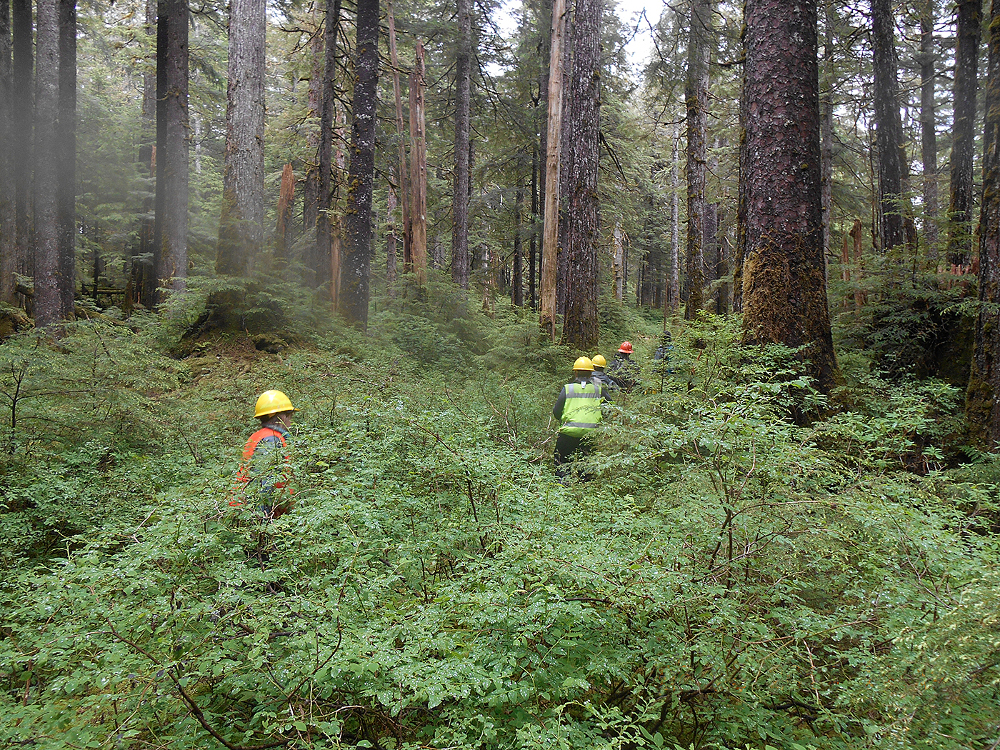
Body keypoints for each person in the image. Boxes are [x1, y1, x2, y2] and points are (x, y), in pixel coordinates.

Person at [232, 390, 297, 519]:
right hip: (257, 516)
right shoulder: (271, 440)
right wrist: (263, 521)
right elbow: (263, 485)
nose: (290, 420)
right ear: (280, 417)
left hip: (251, 511)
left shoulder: (262, 436)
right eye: (289, 415)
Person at [552, 357, 603, 481]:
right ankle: (585, 486)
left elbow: (556, 411)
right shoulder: (598, 390)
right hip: (589, 435)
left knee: (562, 462)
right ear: (591, 373)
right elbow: (611, 407)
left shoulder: (568, 388)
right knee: (586, 465)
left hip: (568, 433)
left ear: (575, 372)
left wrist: (563, 420)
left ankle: (562, 485)